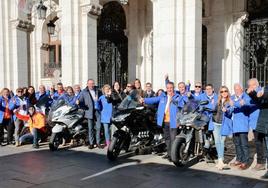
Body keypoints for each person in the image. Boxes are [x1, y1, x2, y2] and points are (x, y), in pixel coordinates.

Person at [140, 82, 182, 161]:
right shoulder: (163, 97)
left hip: (173, 122)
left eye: (171, 88)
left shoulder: (178, 97)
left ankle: (174, 156)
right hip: (164, 121)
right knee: (167, 139)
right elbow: (153, 100)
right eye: (168, 88)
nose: (169, 89)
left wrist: (179, 121)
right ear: (166, 89)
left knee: (173, 139)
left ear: (173, 88)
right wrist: (144, 100)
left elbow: (181, 109)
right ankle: (170, 155)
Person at [247, 81, 268, 178]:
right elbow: (259, 100)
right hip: (264, 123)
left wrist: (262, 94)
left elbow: (264, 96)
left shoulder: (264, 90)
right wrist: (252, 93)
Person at [210, 86, 233, 170]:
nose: (224, 93)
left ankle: (221, 160)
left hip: (224, 124)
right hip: (215, 123)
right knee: (217, 142)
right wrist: (212, 104)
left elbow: (231, 111)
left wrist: (226, 110)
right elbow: (213, 110)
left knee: (222, 141)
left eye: (225, 91)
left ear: (228, 92)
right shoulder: (217, 100)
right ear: (220, 93)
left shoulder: (230, 101)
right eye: (222, 91)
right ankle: (220, 160)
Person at [229, 83, 251, 170]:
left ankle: (246, 162)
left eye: (238, 89)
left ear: (242, 89)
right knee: (237, 144)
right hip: (234, 125)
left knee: (244, 144)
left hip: (242, 124)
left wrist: (234, 103)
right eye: (235, 89)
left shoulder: (246, 97)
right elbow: (230, 107)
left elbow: (244, 106)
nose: (236, 91)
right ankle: (239, 159)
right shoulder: (233, 97)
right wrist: (227, 110)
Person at [78, 79, 102, 149]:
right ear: (87, 84)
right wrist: (80, 104)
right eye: (90, 84)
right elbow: (80, 101)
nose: (91, 85)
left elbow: (102, 99)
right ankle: (91, 143)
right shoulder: (84, 92)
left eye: (92, 83)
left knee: (98, 127)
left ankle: (98, 143)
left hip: (97, 111)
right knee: (90, 128)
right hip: (89, 112)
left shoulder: (98, 90)